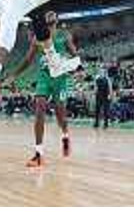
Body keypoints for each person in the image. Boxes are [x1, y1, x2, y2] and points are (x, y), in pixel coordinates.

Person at [6, 12, 79, 167]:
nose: (51, 14)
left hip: (60, 78)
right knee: (39, 110)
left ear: (57, 20)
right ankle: (38, 154)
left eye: (54, 13)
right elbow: (28, 59)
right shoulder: (37, 38)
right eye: (48, 14)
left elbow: (75, 56)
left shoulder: (64, 35)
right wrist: (14, 75)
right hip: (44, 77)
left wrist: (70, 66)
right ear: (45, 21)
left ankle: (65, 136)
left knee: (61, 116)